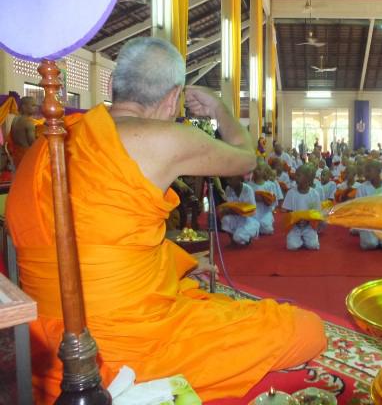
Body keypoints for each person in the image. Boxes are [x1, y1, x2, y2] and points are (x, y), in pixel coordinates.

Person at [6, 37, 326, 403]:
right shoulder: (164, 138)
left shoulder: (44, 145)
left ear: (112, 86)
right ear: (173, 98)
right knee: (305, 329)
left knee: (202, 297)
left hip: (46, 352)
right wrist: (219, 109)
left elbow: (98, 241)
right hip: (119, 351)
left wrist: (179, 263)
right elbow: (246, 158)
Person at [356, 160, 382, 250]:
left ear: (378, 171)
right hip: (368, 221)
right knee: (371, 244)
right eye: (365, 171)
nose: (366, 174)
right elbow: (359, 209)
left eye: (369, 170)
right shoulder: (361, 188)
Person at [282, 164, 322, 250]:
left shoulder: (314, 194)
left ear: (308, 179)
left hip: (309, 225)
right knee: (292, 246)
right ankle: (299, 239)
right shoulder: (291, 193)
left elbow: (316, 213)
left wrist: (307, 221)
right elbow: (288, 211)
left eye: (298, 175)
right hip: (295, 226)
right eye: (296, 175)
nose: (295, 177)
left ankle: (306, 238)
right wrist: (296, 220)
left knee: (313, 245)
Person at [221, 175, 260, 246]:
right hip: (236, 217)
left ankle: (249, 236)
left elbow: (252, 210)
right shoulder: (228, 189)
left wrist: (236, 211)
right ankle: (233, 240)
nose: (228, 182)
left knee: (238, 237)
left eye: (230, 179)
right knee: (225, 219)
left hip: (249, 219)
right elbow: (229, 206)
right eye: (227, 179)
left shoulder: (248, 189)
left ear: (239, 178)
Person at [7, 95, 38, 169]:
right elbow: (33, 144)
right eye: (33, 105)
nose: (36, 108)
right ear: (24, 107)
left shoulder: (15, 119)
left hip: (16, 156)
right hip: (27, 156)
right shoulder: (28, 122)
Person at [249, 162, 278, 235]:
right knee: (251, 228)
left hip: (265, 212)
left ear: (265, 172)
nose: (256, 171)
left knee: (266, 228)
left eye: (259, 169)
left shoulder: (269, 185)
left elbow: (273, 201)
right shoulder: (249, 185)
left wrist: (264, 199)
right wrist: (254, 198)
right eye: (255, 169)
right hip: (253, 212)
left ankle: (266, 223)